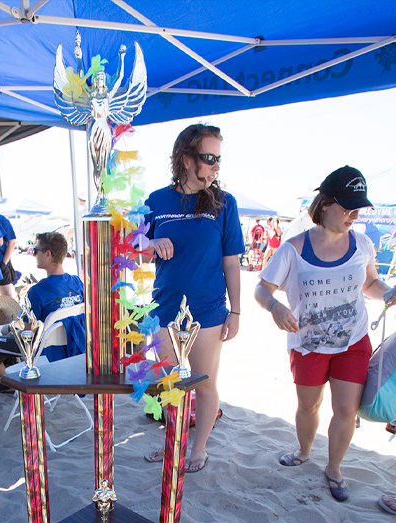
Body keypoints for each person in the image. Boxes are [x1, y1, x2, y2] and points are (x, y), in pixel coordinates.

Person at [255, 165, 396, 502]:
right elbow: (262, 289)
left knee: (347, 410)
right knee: (309, 406)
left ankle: (334, 467)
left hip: (353, 342)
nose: (354, 215)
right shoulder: (292, 249)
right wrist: (275, 308)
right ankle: (304, 450)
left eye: (358, 208)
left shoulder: (362, 244)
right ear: (326, 203)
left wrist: (388, 292)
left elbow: (370, 283)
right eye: (347, 207)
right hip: (308, 345)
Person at [143, 123, 244, 473]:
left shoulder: (224, 204)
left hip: (208, 310)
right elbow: (130, 244)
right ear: (186, 159)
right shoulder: (156, 201)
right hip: (165, 308)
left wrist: (237, 311)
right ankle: (171, 442)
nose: (217, 166)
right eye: (209, 158)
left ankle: (198, 448)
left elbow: (231, 263)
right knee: (170, 385)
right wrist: (149, 243)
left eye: (219, 158)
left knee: (203, 384)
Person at [0, 232, 84, 377]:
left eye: (37, 251)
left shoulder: (37, 292)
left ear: (48, 254)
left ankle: (12, 382)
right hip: (73, 349)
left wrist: (7, 330)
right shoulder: (77, 283)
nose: (34, 255)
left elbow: (26, 332)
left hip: (46, 353)